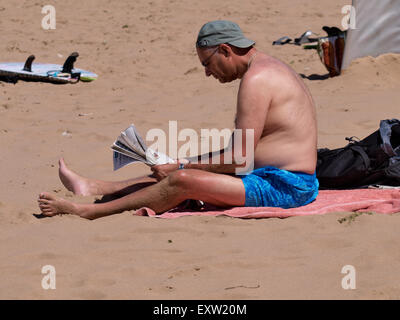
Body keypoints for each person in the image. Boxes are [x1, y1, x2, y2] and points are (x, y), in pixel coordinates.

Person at [38, 20, 319, 220]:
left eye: (206, 63)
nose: (208, 73)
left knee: (182, 178)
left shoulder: (257, 79)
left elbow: (240, 158)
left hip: (285, 187)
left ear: (225, 50)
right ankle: (98, 188)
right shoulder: (267, 68)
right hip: (269, 175)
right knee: (178, 168)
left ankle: (90, 211)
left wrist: (182, 165)